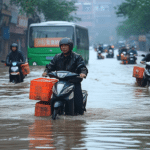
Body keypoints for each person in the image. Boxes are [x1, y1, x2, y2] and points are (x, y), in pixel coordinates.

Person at [42, 38, 88, 115]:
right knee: (51, 97)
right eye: (62, 46)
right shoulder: (57, 57)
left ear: (70, 47)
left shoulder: (77, 57)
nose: (64, 48)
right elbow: (50, 66)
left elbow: (83, 67)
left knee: (78, 105)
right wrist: (46, 72)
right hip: (60, 82)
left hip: (74, 82)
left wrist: (82, 73)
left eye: (66, 46)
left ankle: (80, 111)